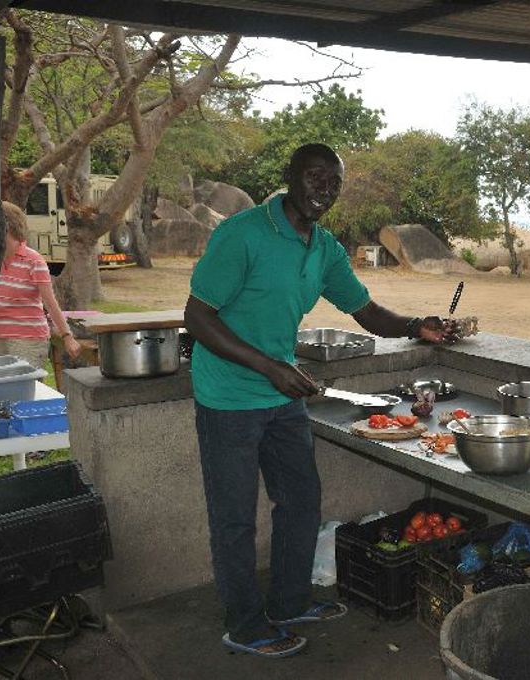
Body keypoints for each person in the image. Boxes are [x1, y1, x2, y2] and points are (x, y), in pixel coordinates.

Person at [184, 143, 457, 659]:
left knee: (301, 500)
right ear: (290, 176)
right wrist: (271, 367)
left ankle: (289, 602)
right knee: (235, 518)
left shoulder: (324, 247)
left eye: (333, 183)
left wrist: (415, 325)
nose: (324, 191)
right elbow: (198, 318)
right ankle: (243, 625)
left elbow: (365, 310)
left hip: (283, 394)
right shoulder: (243, 234)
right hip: (228, 397)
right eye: (315, 178)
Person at [0, 201, 81, 369]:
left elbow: (50, 302)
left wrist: (67, 336)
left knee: (23, 391)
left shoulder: (33, 261)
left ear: (7, 227)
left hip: (27, 340)